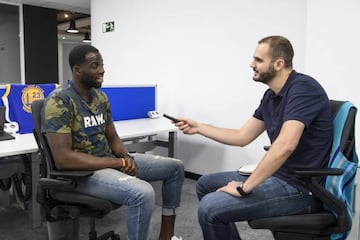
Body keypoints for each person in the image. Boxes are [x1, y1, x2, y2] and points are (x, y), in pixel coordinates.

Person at [174, 35, 332, 239]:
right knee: (205, 183)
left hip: (301, 187)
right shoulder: (271, 96)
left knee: (209, 208)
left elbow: (286, 145)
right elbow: (242, 136)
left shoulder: (303, 89)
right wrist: (199, 127)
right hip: (280, 175)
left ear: (278, 64)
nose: (251, 64)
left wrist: (244, 188)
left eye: (258, 60)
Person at [41, 44, 184, 240]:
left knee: (175, 167)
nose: (102, 70)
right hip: (80, 174)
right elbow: (63, 159)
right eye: (95, 65)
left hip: (107, 162)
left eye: (102, 64)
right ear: (77, 69)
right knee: (143, 194)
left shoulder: (101, 98)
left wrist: (125, 157)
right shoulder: (59, 101)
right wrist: (117, 162)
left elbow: (113, 138)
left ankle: (166, 236)